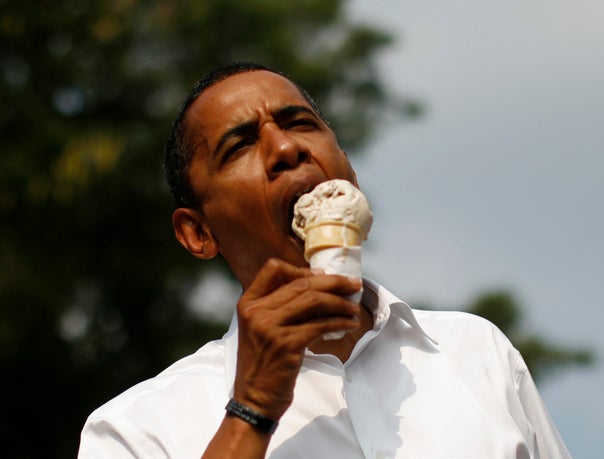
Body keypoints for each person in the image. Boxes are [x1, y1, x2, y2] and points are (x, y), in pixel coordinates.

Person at [78, 62, 571, 458]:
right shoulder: (134, 430)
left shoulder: (476, 351)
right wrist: (252, 407)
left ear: (348, 172)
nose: (287, 148)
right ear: (198, 232)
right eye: (241, 145)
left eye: (300, 124)